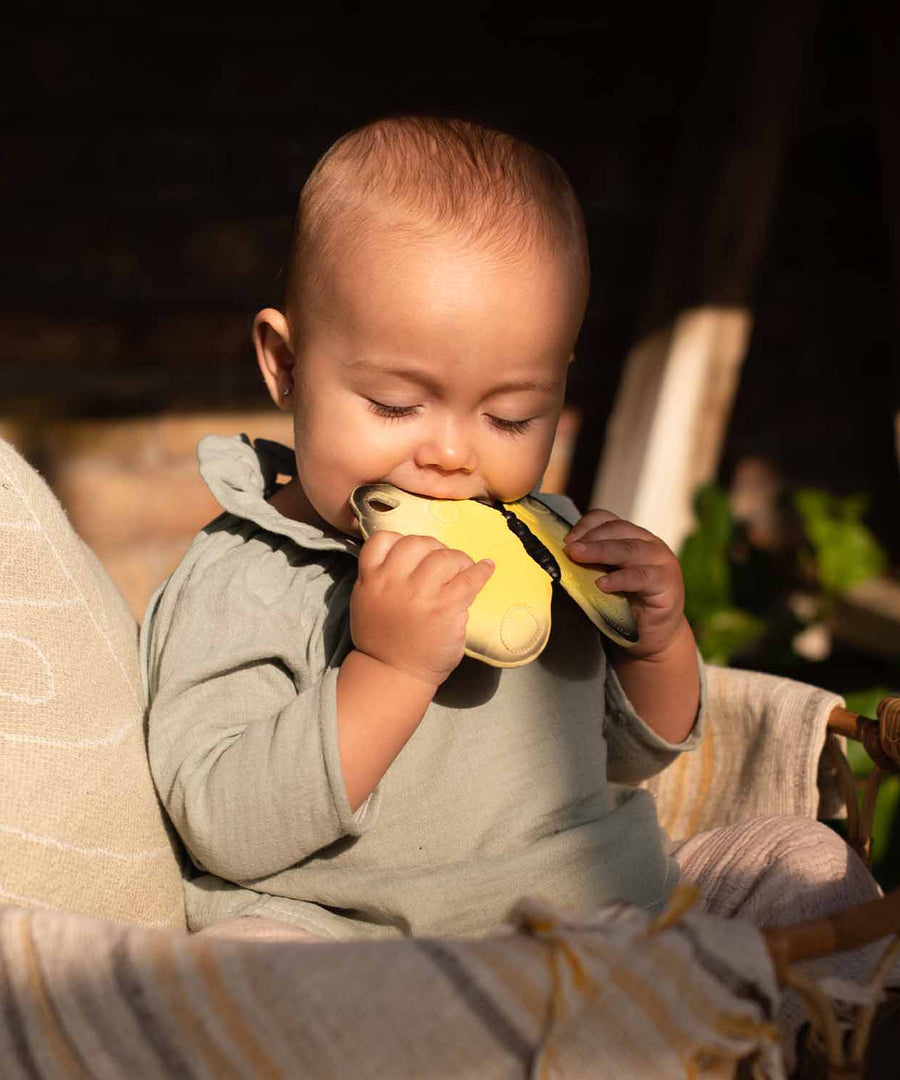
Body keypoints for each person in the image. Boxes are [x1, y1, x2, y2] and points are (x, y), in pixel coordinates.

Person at [141, 117, 889, 1031]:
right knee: (233, 976)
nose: (452, 455)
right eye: (394, 404)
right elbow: (221, 822)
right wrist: (386, 672)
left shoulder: (545, 545)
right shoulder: (247, 572)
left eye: (510, 416)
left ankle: (809, 1044)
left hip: (616, 917)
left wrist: (658, 638)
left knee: (802, 864)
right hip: (368, 948)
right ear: (286, 364)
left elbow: (626, 752)